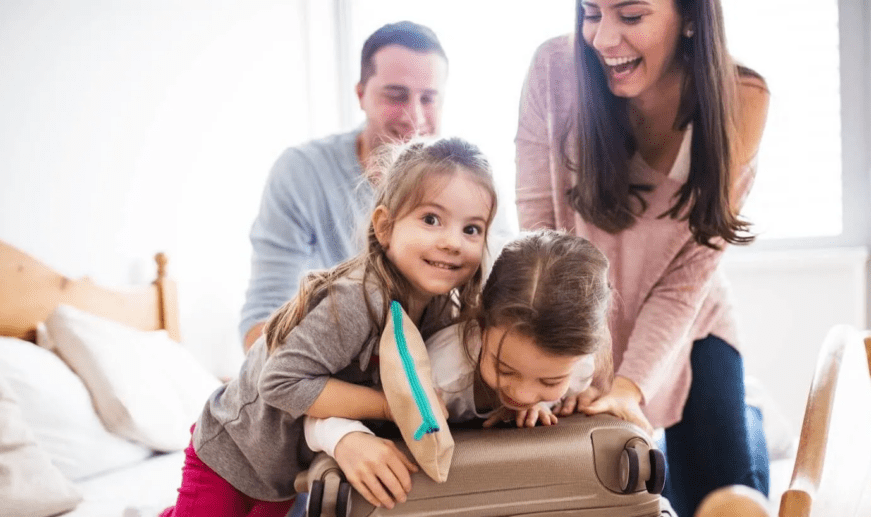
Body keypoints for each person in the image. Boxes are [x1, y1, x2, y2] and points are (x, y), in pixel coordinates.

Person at [514, 1, 772, 516]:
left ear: (692, 17)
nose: (604, 39)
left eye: (630, 16)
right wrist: (574, 358)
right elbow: (540, 231)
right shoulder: (555, 71)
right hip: (584, 321)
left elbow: (689, 279)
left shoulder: (740, 99)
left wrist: (631, 386)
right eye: (591, 12)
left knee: (730, 495)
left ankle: (751, 414)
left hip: (689, 322)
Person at [160, 137, 498, 517]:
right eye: (431, 219)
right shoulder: (358, 299)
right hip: (231, 452)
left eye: (471, 229)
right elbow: (280, 382)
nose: (452, 242)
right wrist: (392, 406)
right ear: (385, 227)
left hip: (281, 472)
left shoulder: (438, 309)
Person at [304, 229, 614, 508]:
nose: (523, 393)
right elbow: (315, 412)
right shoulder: (443, 373)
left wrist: (552, 402)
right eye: (505, 370)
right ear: (480, 328)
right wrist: (345, 439)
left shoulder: (579, 366)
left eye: (549, 380)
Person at [239, 21, 450, 352]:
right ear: (361, 95)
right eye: (396, 96)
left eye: (428, 98)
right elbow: (262, 324)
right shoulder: (301, 173)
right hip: (329, 370)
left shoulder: (467, 181)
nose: (414, 117)